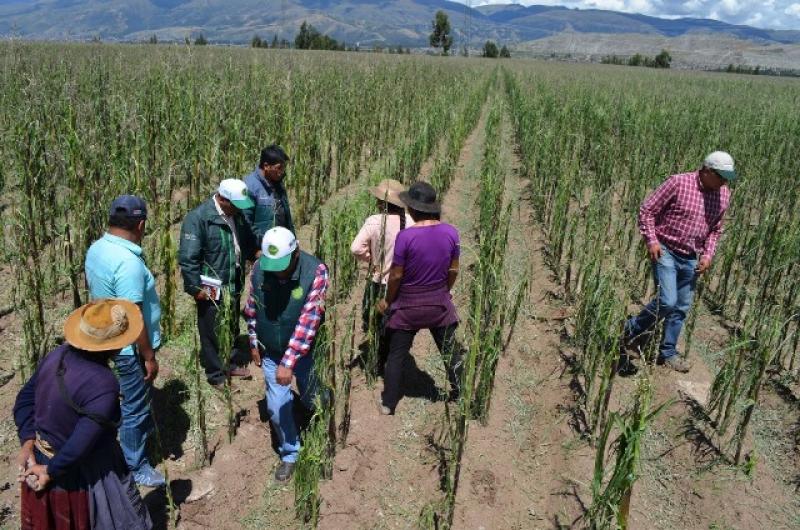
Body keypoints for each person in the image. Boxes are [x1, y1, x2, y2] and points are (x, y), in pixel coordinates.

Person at [14, 299, 153, 529]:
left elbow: (23, 400)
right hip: (82, 472)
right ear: (115, 346)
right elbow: (82, 441)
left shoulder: (57, 355)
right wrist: (51, 471)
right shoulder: (104, 383)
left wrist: (29, 443)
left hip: (43, 460)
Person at [621, 151, 736, 373]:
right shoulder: (678, 183)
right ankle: (630, 329)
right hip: (665, 250)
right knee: (667, 301)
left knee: (681, 308)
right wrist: (652, 241)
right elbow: (647, 211)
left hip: (692, 257)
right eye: (720, 176)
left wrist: (707, 255)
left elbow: (715, 230)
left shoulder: (723, 195)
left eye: (726, 178)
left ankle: (668, 352)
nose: (723, 182)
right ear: (707, 171)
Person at [84, 195, 164, 488]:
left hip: (106, 337)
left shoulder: (97, 248)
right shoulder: (128, 263)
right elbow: (134, 318)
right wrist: (148, 356)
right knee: (136, 407)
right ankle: (135, 465)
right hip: (130, 349)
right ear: (141, 225)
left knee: (123, 401)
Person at [244, 227, 329, 482]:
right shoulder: (260, 268)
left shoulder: (315, 272)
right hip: (272, 351)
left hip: (306, 351)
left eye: (282, 265)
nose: (277, 271)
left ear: (296, 253)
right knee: (277, 407)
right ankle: (290, 453)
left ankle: (320, 424)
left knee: (313, 396)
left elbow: (309, 321)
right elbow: (252, 306)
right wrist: (253, 340)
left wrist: (289, 362)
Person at [377, 181, 463, 415]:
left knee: (396, 354)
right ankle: (461, 394)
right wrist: (443, 291)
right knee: (449, 350)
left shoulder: (405, 237)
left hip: (407, 306)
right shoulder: (451, 232)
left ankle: (388, 403)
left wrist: (388, 300)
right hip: (439, 304)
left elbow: (396, 275)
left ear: (413, 210)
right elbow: (453, 270)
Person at [179, 179, 259, 387]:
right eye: (235, 205)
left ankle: (229, 362)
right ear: (222, 199)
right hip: (211, 286)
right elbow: (188, 258)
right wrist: (195, 288)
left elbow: (248, 242)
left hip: (233, 281)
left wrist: (257, 253)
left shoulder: (237, 215)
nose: (239, 210)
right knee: (212, 330)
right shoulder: (199, 219)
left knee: (231, 324)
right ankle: (216, 374)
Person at [350, 179, 414, 373]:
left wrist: (373, 260)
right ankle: (390, 359)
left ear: (382, 203)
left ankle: (376, 361)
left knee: (374, 321)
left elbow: (355, 248)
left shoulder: (375, 221)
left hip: (379, 281)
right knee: (395, 323)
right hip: (402, 283)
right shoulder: (411, 221)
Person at [243, 144, 295, 241]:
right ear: (266, 166)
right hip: (264, 247)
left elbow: (287, 217)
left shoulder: (278, 183)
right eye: (279, 168)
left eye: (284, 168)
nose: (282, 172)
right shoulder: (250, 187)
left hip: (282, 244)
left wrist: (293, 241)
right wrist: (259, 246)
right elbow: (246, 223)